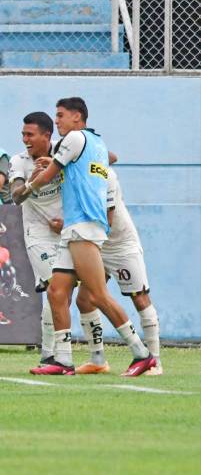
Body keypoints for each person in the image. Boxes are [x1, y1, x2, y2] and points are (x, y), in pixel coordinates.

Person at [20, 97, 155, 377]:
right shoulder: (96, 143)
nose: (56, 120)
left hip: (84, 226)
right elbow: (83, 168)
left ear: (77, 117)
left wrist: (26, 189)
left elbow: (48, 176)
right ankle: (63, 360)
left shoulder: (75, 138)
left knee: (98, 295)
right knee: (57, 291)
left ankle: (142, 354)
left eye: (60, 115)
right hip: (75, 227)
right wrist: (58, 163)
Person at [73, 167, 162, 375]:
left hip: (121, 246)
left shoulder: (105, 175)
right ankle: (97, 360)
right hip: (96, 245)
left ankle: (155, 362)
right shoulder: (74, 174)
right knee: (84, 300)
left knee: (140, 298)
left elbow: (108, 219)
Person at [9, 112, 64, 365]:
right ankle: (53, 354)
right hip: (37, 233)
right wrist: (32, 182)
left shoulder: (64, 152)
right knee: (56, 287)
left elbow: (107, 158)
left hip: (65, 231)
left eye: (30, 135)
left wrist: (56, 163)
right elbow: (16, 197)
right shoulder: (19, 161)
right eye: (23, 134)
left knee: (62, 293)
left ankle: (51, 353)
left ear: (47, 136)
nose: (25, 140)